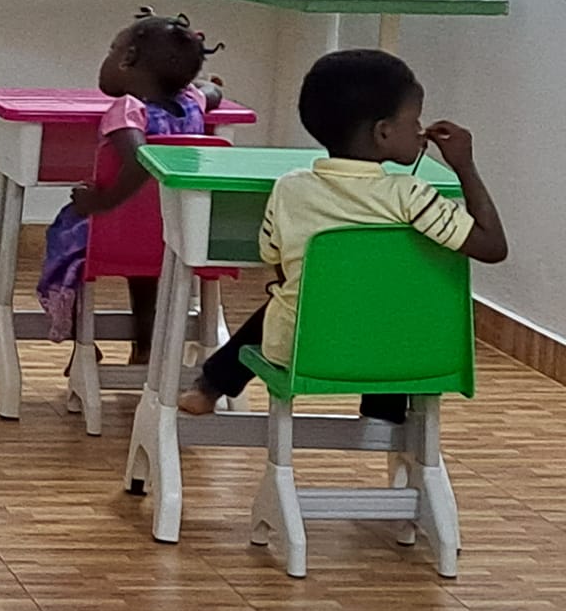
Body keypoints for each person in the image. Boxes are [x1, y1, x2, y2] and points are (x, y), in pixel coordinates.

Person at [181, 49, 507, 420]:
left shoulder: (290, 188)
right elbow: (492, 246)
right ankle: (382, 422)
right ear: (383, 132)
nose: (421, 130)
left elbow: (272, 255)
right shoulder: (412, 196)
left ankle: (209, 386)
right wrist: (465, 166)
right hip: (395, 355)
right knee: (392, 321)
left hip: (304, 347)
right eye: (414, 120)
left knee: (287, 302)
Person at [37, 10, 224, 358]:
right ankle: (145, 347)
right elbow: (212, 91)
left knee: (63, 241)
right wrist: (196, 80)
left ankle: (80, 342)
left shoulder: (128, 110)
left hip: (117, 233)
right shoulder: (192, 103)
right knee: (144, 274)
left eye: (113, 49)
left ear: (128, 59)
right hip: (174, 234)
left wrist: (102, 202)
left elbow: (142, 160)